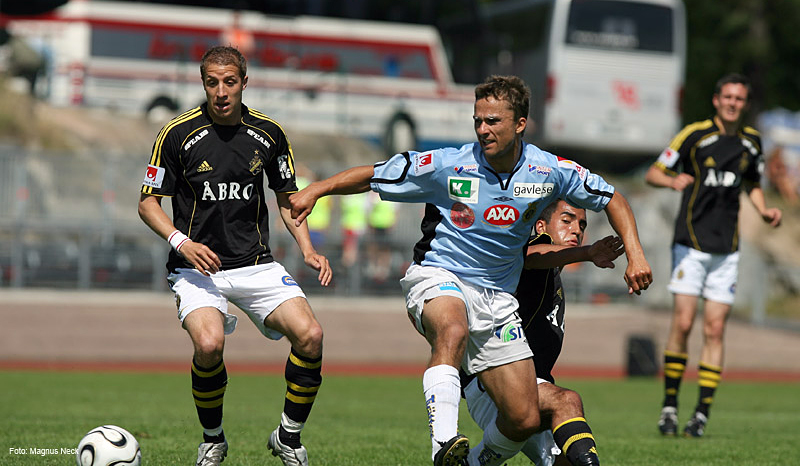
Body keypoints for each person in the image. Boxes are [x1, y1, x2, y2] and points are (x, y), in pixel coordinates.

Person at [290, 75, 652, 466]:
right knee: (453, 328)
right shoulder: (448, 164)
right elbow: (373, 174)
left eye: (493, 121)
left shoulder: (549, 171)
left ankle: (476, 461)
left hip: (497, 298)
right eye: (478, 120)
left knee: (524, 417)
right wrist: (316, 190)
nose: (483, 129)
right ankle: (444, 444)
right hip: (438, 275)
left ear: (520, 123)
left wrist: (636, 255)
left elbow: (613, 197)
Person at [137, 45, 332, 466]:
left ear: (245, 82)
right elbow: (148, 203)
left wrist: (309, 249)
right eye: (212, 82)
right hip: (195, 270)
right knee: (209, 343)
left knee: (311, 336)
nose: (221, 91)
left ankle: (288, 437)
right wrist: (181, 243)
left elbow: (287, 199)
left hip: (256, 264)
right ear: (203, 83)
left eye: (229, 82)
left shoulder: (269, 134)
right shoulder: (176, 134)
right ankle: (213, 439)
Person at [645, 73, 782, 438]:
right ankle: (670, 407)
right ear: (716, 100)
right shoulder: (693, 134)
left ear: (745, 103)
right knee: (685, 323)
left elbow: (752, 182)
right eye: (728, 97)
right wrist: (672, 180)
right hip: (690, 244)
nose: (733, 103)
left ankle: (701, 414)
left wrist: (764, 210)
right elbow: (654, 172)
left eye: (740, 98)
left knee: (716, 327)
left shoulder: (752, 142)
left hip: (727, 249)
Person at [461, 199, 624, 466]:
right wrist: (586, 253)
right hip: (489, 380)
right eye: (567, 220)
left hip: (531, 388)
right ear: (540, 226)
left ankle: (474, 462)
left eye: (581, 224)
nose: (576, 230)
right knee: (566, 400)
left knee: (566, 460)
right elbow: (530, 256)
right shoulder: (526, 260)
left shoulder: (553, 278)